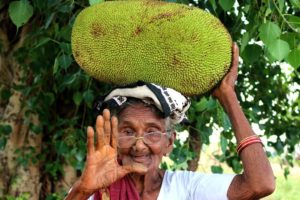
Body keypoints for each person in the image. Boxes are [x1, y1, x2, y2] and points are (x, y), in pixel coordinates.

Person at [65, 44, 275, 200]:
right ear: (113, 140)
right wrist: (83, 190)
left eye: (152, 131)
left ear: (169, 142)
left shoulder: (186, 188)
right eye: (128, 131)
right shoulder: (94, 190)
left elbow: (261, 184)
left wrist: (228, 96)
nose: (139, 145)